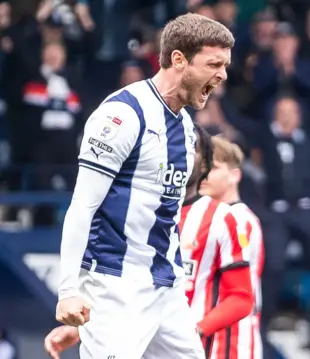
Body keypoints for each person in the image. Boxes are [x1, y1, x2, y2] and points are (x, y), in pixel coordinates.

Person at [54, 13, 234, 359]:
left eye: (225, 66)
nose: (223, 75)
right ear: (179, 59)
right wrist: (68, 290)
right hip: (114, 285)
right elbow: (83, 206)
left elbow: (163, 207)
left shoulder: (184, 126)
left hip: (166, 286)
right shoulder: (122, 116)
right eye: (214, 64)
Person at [196, 135, 265, 359]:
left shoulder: (240, 220)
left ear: (235, 175)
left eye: (214, 168)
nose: (204, 175)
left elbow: (236, 293)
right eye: (202, 168)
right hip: (211, 335)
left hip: (233, 338)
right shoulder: (209, 217)